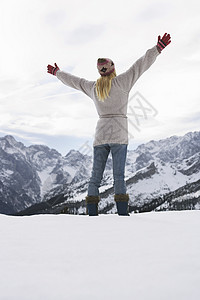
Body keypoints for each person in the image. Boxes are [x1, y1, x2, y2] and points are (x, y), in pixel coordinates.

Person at [47, 33, 171, 216]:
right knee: (118, 177)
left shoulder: (94, 88)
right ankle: (122, 214)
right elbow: (141, 64)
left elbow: (74, 81)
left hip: (100, 136)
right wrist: (158, 48)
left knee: (95, 178)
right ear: (112, 68)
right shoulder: (122, 82)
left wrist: (57, 73)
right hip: (119, 134)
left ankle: (91, 213)